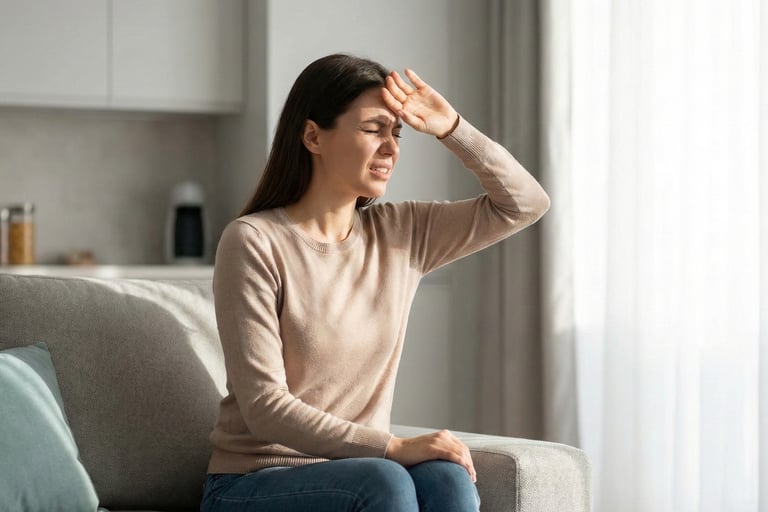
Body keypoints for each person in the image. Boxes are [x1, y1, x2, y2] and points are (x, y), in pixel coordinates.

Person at [201, 53, 550, 512]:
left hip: (364, 471)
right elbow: (264, 405)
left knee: (444, 478)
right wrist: (391, 447)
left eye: (397, 132)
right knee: (384, 481)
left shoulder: (402, 234)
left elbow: (525, 203)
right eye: (373, 130)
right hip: (254, 482)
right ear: (312, 136)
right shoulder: (254, 241)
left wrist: (451, 128)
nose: (391, 147)